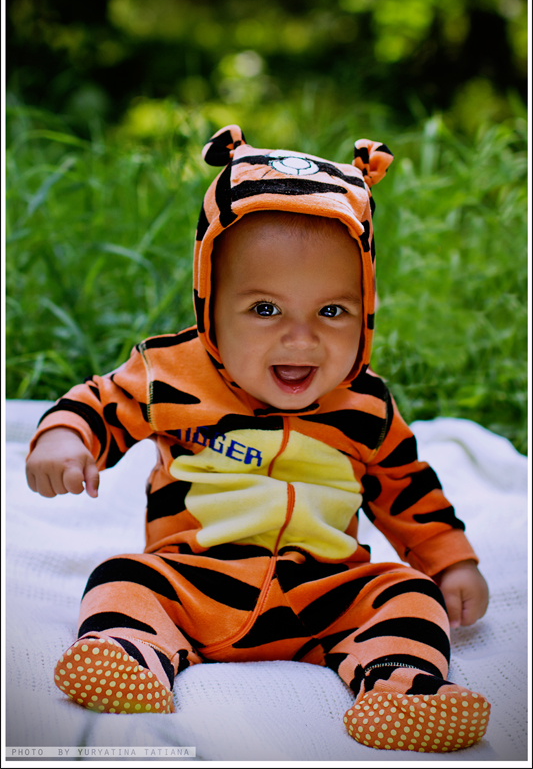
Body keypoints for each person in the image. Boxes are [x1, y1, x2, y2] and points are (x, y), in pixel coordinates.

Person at [26, 125, 490, 752]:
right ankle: (132, 651)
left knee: (408, 594)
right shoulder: (171, 375)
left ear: (367, 310)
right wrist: (64, 435)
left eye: (332, 311)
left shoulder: (366, 406)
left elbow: (408, 489)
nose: (301, 339)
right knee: (124, 577)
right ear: (209, 304)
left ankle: (401, 685)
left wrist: (452, 561)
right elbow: (100, 403)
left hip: (326, 593)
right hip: (193, 580)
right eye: (265, 309)